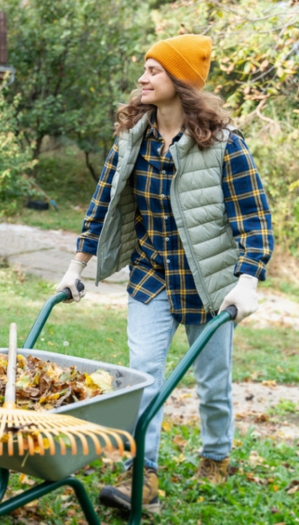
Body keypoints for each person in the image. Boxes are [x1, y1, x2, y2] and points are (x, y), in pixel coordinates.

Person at [56, 34, 274, 513]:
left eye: (154, 70)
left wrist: (248, 279)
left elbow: (254, 219)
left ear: (181, 81)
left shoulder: (223, 146)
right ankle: (143, 474)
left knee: (213, 379)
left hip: (209, 283)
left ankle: (216, 454)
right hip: (152, 275)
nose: (142, 78)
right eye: (145, 69)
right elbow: (102, 207)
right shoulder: (132, 139)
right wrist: (76, 268)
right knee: (143, 375)